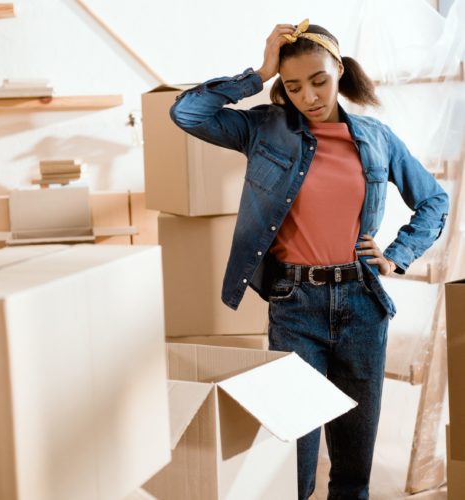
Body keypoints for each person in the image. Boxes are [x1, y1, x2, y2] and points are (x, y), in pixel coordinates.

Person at [169, 19, 449, 500]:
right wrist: (258, 73)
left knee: (353, 464)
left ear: (339, 69)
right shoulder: (264, 129)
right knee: (293, 462)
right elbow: (188, 114)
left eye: (319, 80)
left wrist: (398, 255)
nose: (309, 96)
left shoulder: (376, 137)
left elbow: (434, 200)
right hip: (294, 305)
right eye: (293, 86)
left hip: (363, 305)